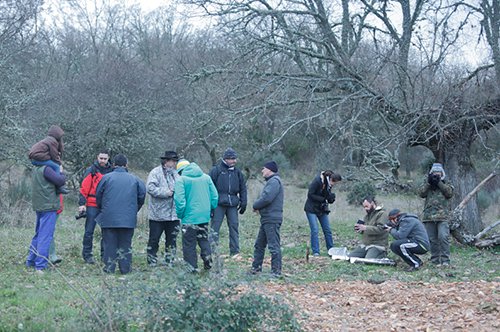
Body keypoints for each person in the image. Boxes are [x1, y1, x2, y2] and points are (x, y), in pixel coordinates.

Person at [95, 154, 146, 274]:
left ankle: (109, 268)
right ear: (126, 165)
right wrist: (134, 210)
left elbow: (98, 196)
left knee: (109, 244)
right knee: (126, 244)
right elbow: (142, 196)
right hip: (128, 218)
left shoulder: (106, 178)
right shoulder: (135, 179)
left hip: (109, 217)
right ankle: (125, 269)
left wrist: (104, 209)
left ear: (113, 165)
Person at [174, 159, 219, 272]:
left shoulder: (181, 180)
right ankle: (208, 262)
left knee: (189, 244)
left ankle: (191, 268)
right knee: (203, 239)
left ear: (180, 171)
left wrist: (181, 214)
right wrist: (210, 209)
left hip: (189, 218)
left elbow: (179, 201)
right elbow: (214, 197)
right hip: (204, 216)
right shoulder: (206, 177)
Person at [26, 160, 67, 274]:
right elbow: (60, 181)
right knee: (45, 236)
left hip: (39, 205)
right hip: (49, 206)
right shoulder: (47, 169)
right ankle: (40, 265)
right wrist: (62, 172)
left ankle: (30, 261)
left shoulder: (36, 167)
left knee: (38, 234)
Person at [209, 148, 248, 257]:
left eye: (235, 158)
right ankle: (212, 252)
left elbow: (243, 188)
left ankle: (235, 251)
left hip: (232, 204)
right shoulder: (216, 171)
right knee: (215, 228)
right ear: (225, 159)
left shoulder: (238, 172)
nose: (234, 161)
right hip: (218, 204)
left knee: (234, 227)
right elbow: (209, 188)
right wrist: (211, 205)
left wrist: (244, 202)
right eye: (232, 159)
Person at [78, 149, 113, 264]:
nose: (102, 160)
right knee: (89, 231)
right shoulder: (91, 170)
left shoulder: (111, 171)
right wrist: (82, 204)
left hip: (106, 205)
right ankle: (87, 255)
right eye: (101, 158)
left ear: (108, 159)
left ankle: (105, 255)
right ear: (97, 157)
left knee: (106, 232)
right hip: (92, 204)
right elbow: (84, 188)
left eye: (105, 158)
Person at [250, 161, 284, 278]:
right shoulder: (272, 182)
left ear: (270, 170)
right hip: (267, 218)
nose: (262, 171)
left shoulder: (274, 182)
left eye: (263, 168)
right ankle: (256, 268)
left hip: (271, 219)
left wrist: (255, 205)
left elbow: (267, 198)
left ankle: (276, 272)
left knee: (273, 246)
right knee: (259, 245)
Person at [146, 150, 180, 266]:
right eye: (173, 161)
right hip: (158, 215)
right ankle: (152, 260)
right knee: (154, 239)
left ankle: (169, 260)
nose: (174, 163)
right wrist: (166, 193)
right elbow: (150, 188)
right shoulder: (155, 172)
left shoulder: (176, 174)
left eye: (175, 161)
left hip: (173, 215)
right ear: (166, 161)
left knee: (172, 240)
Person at [418, 163, 454, 266]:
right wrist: (429, 183)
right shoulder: (427, 182)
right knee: (432, 239)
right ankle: (435, 260)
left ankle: (445, 260)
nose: (436, 174)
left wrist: (439, 182)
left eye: (438, 172)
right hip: (429, 216)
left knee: (443, 237)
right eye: (434, 172)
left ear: (442, 173)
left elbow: (449, 193)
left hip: (443, 216)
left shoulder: (447, 182)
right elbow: (421, 193)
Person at [303, 170, 341, 257]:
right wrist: (324, 199)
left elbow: (326, 195)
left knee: (327, 230)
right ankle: (316, 251)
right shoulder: (318, 181)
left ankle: (331, 250)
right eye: (334, 182)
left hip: (322, 209)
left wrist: (330, 198)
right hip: (311, 209)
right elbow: (310, 194)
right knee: (315, 230)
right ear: (330, 179)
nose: (334, 184)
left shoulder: (328, 184)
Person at [28, 125, 68, 194]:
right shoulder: (52, 141)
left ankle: (58, 186)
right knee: (56, 166)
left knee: (54, 165)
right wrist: (59, 164)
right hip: (38, 159)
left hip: (34, 159)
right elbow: (54, 154)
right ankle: (59, 187)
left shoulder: (47, 140)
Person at [48, 194, 64, 265]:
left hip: (55, 207)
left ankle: (51, 255)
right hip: (46, 207)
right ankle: (51, 255)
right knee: (47, 232)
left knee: (49, 232)